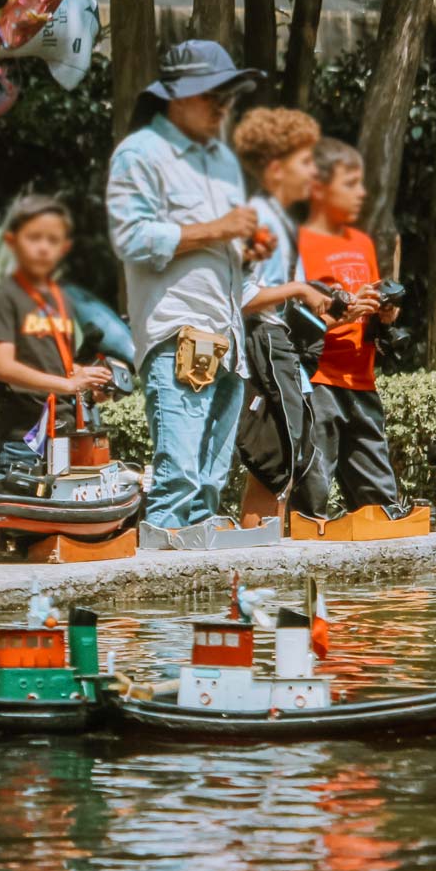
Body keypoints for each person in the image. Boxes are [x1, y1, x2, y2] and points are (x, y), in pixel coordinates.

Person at [106, 39, 268, 533]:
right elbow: (130, 238)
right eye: (211, 95)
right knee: (178, 478)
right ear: (175, 97)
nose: (224, 106)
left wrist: (245, 250)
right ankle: (158, 598)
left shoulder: (221, 157)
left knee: (212, 484)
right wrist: (221, 229)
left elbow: (221, 237)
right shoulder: (140, 153)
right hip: (177, 332)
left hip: (227, 336)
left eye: (228, 95)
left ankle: (203, 596)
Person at [232, 108, 337, 512]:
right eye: (306, 162)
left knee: (278, 459)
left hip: (284, 344)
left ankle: (264, 552)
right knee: (283, 456)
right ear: (276, 169)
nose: (314, 172)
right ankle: (266, 556)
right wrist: (297, 289)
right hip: (265, 345)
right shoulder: (260, 219)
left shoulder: (283, 222)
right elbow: (241, 298)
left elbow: (290, 297)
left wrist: (323, 309)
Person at [298, 138, 404, 517]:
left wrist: (383, 314)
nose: (361, 192)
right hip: (319, 384)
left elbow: (370, 310)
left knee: (380, 503)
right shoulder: (300, 244)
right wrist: (339, 314)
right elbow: (293, 323)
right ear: (318, 189)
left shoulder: (361, 242)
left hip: (362, 382)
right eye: (350, 184)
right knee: (311, 501)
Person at [0, 195, 113, 474]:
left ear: (65, 248)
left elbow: (58, 365)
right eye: (34, 238)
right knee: (25, 515)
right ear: (12, 241)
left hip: (65, 434)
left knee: (62, 514)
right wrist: (67, 385)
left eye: (53, 240)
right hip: (24, 439)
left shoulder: (60, 298)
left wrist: (88, 379)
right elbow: (3, 366)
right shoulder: (5, 297)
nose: (43, 247)